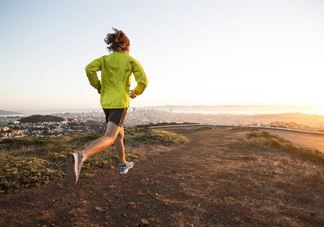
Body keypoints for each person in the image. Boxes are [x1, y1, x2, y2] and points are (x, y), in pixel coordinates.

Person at [65, 27, 148, 185]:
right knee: (110, 137)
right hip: (120, 102)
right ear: (126, 46)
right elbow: (143, 81)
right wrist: (136, 92)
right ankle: (81, 156)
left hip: (106, 102)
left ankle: (123, 164)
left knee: (119, 134)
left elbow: (89, 69)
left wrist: (98, 86)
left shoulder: (104, 59)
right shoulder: (130, 60)